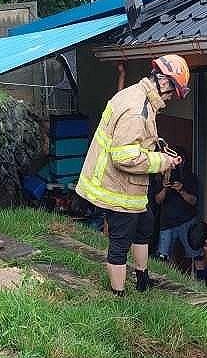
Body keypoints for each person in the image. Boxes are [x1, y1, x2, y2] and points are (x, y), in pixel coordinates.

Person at [75, 55, 189, 294]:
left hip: (132, 188)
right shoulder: (138, 110)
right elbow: (124, 157)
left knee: (144, 226)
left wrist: (157, 147)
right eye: (173, 93)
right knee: (120, 241)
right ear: (164, 82)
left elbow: (136, 140)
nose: (171, 99)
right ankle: (119, 296)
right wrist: (163, 161)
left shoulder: (138, 96)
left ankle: (142, 278)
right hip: (118, 188)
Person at [154, 154, 201, 269]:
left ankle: (201, 283)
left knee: (197, 255)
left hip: (187, 221)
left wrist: (181, 190)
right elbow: (158, 201)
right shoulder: (161, 176)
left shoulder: (190, 177)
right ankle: (165, 282)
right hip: (167, 223)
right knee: (163, 257)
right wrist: (165, 187)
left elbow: (194, 201)